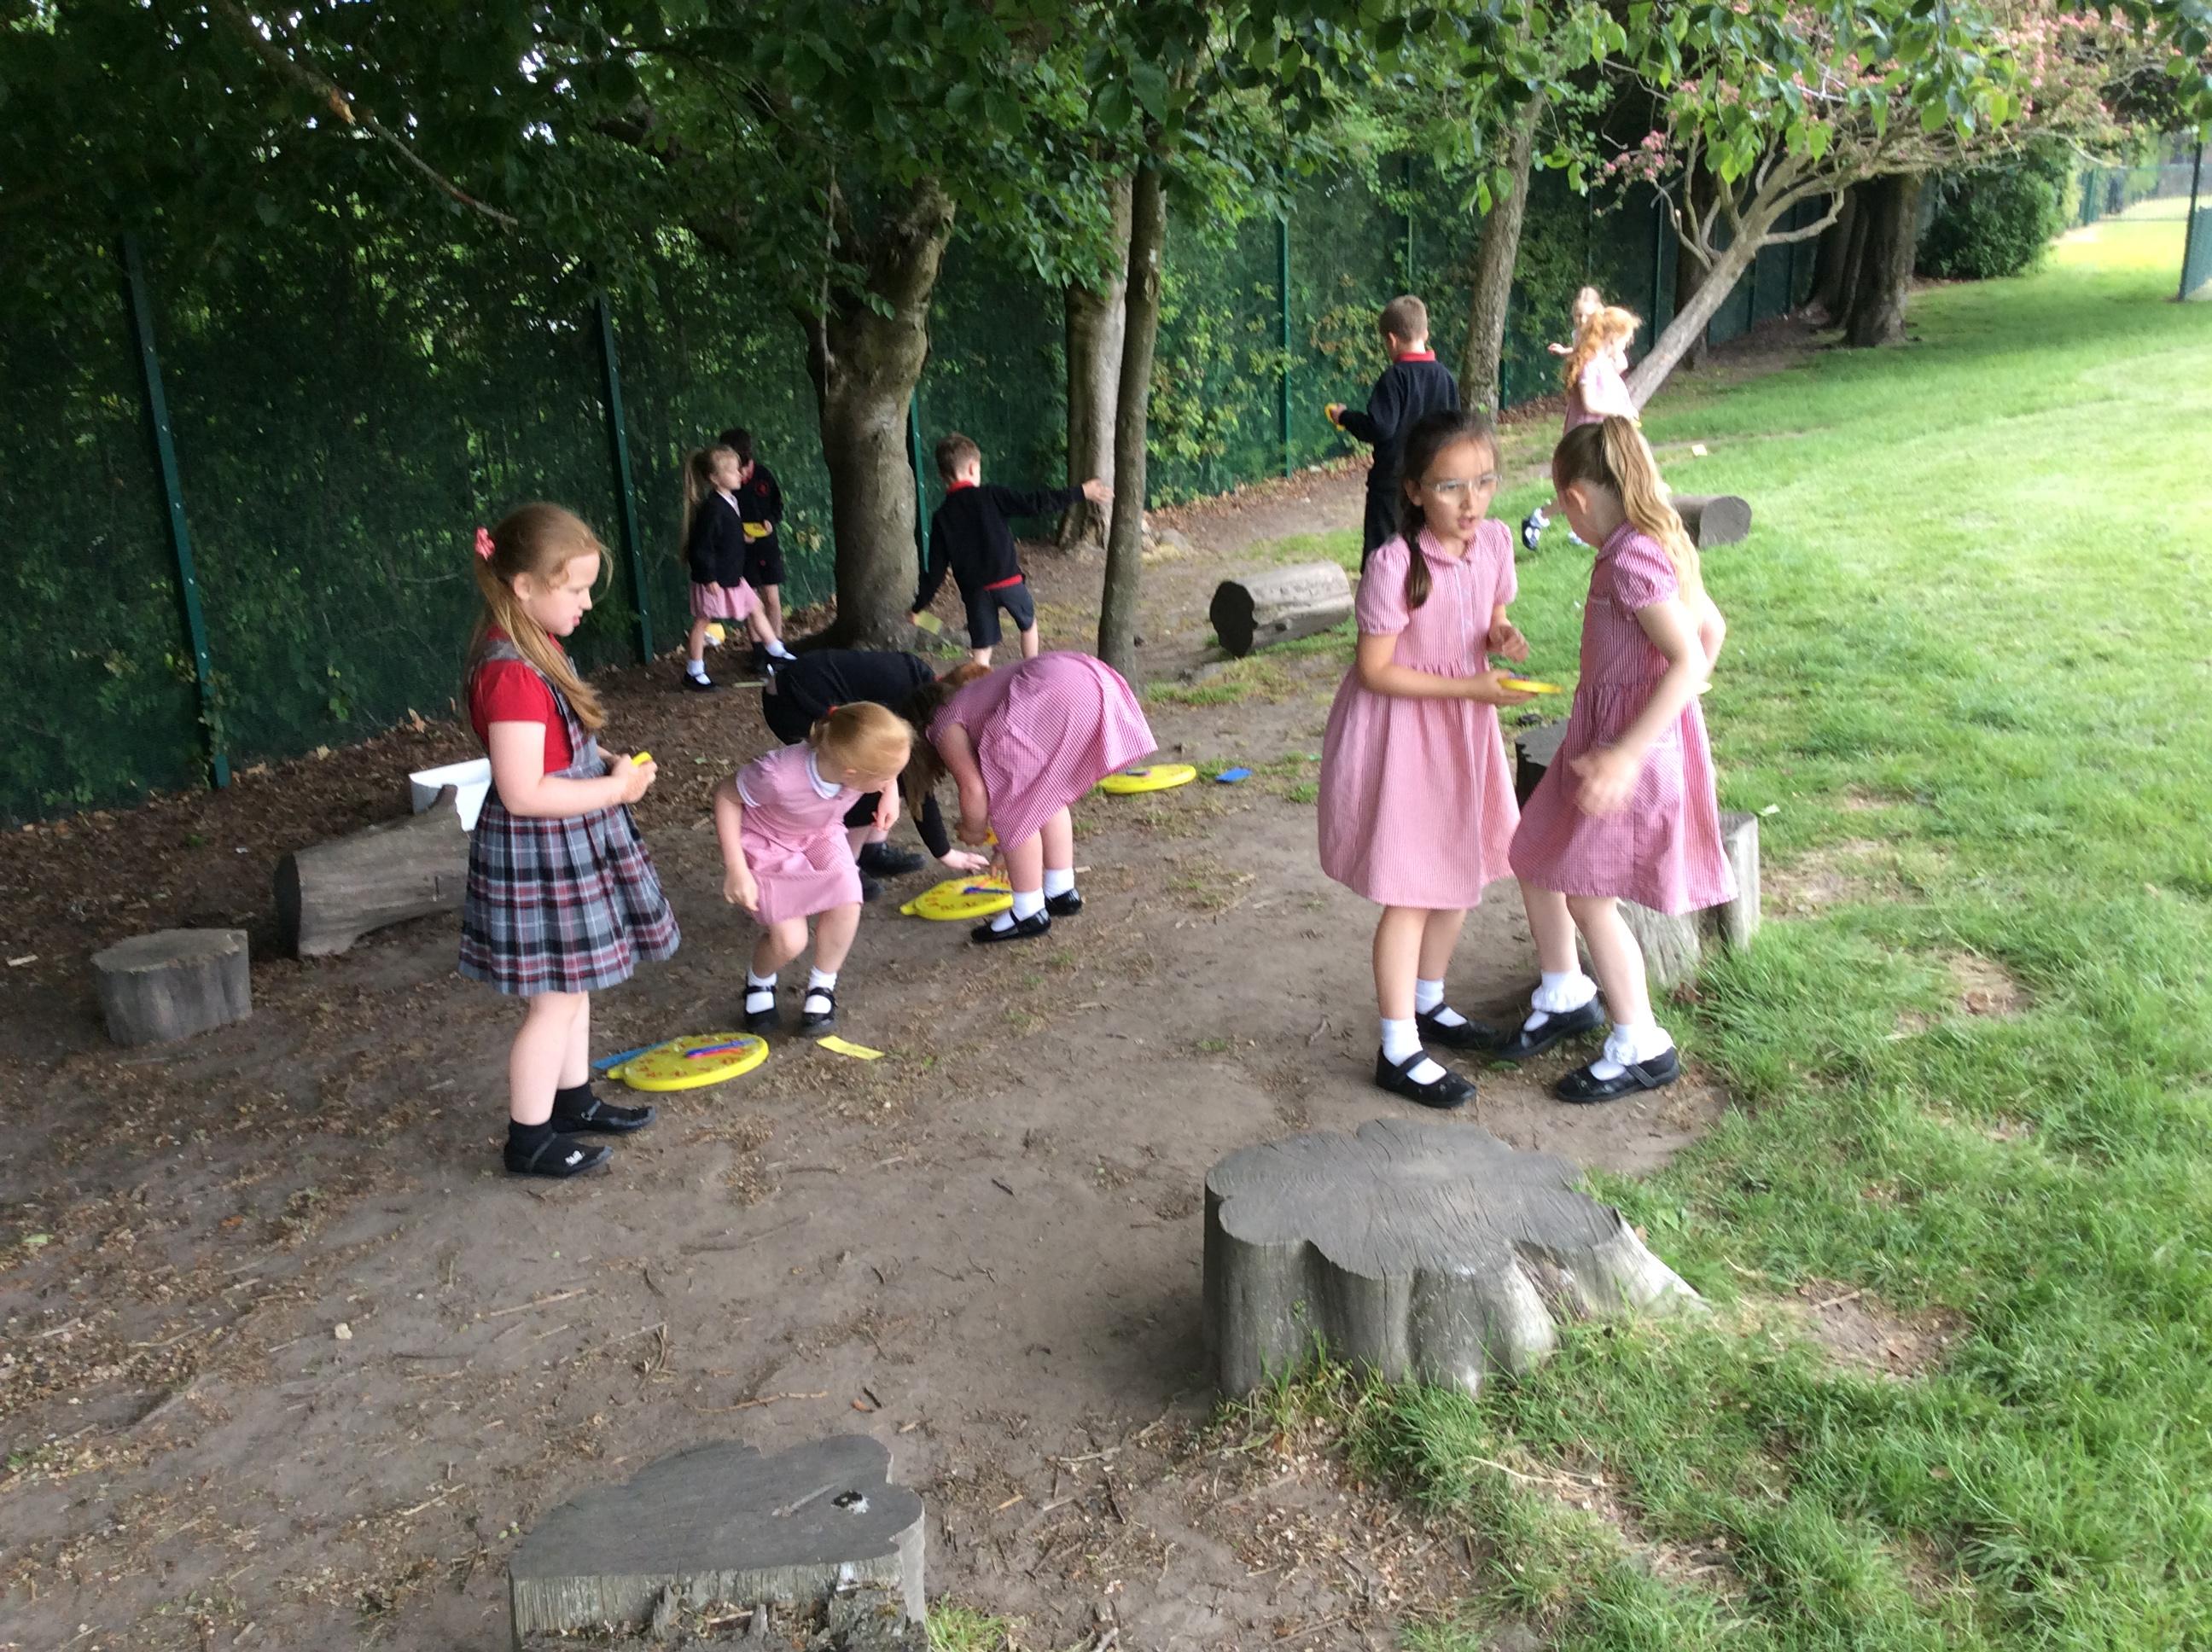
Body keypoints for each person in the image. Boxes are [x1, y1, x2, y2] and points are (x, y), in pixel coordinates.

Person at [1503, 416, 1732, 1102]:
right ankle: (1566, 991)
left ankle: (1642, 1044)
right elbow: (1712, 629)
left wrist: (1634, 750)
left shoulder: (1633, 558)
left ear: (1574, 499)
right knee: (1535, 849)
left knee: (1587, 895)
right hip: (1603, 740)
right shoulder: (1653, 540)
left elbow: (1687, 656)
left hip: (1629, 751)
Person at [1317, 410, 1535, 1109]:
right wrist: (1469, 687)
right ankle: (1397, 1048)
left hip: (1462, 731)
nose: (1472, 502)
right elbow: (1376, 670)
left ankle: (1429, 1002)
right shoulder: (1394, 565)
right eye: (1450, 487)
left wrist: (1500, 634)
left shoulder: (1493, 542)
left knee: (1458, 870)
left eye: (1485, 481)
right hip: (1405, 737)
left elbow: (1489, 613)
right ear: (1413, 490)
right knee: (1410, 889)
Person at [458, 504, 678, 1178]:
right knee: (552, 1002)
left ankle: (573, 1102)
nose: (586, 602)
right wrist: (614, 792)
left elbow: (559, 749)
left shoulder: (539, 645)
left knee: (573, 985)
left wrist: (607, 762)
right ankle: (529, 1140)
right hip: (541, 851)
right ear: (524, 585)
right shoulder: (512, 672)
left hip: (569, 839)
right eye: (575, 588)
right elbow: (524, 790)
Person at [898, 654, 1155, 945]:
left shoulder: (942, 722)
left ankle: (1027, 911)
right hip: (1091, 677)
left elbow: (973, 790)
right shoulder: (973, 698)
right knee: (1047, 794)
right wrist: (1003, 846)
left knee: (1014, 803)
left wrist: (973, 829)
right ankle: (1060, 890)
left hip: (1050, 691)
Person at [716, 703, 912, 1035]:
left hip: (821, 834)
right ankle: (759, 979)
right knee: (790, 942)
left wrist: (889, 792)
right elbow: (725, 796)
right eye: (885, 778)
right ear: (852, 774)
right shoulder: (776, 777)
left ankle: (823, 985)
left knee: (848, 895)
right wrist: (736, 869)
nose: (891, 780)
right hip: (768, 844)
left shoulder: (853, 760)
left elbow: (888, 770)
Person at [759, 648, 992, 899]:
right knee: (868, 775)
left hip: (811, 691)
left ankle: (872, 850)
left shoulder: (924, 694)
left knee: (888, 774)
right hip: (793, 702)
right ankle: (845, 868)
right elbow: (917, 783)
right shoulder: (910, 703)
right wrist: (945, 853)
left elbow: (913, 778)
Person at [911, 433, 1111, 666]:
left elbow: (936, 572)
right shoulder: (991, 496)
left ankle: (979, 686)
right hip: (1009, 582)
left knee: (982, 650)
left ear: (941, 476)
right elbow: (1035, 503)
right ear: (974, 468)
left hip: (976, 592)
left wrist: (918, 608)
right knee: (1028, 625)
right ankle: (1032, 669)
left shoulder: (942, 516)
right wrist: (1081, 492)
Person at [1324, 294, 1462, 567]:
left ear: (1391, 340)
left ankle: (1382, 592)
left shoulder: (1394, 378)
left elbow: (1379, 427)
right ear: (1426, 333)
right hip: (1433, 481)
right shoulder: (1445, 378)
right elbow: (1455, 430)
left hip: (1392, 484)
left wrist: (1345, 417)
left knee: (1383, 555)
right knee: (1427, 549)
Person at [1522, 305, 1641, 551]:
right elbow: (1590, 403)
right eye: (1625, 338)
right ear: (1612, 336)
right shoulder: (1590, 364)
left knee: (1604, 483)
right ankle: (1540, 518)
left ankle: (1597, 528)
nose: (1628, 343)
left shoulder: (1604, 362)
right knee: (1581, 488)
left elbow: (1619, 370)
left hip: (1602, 436)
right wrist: (1621, 411)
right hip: (1585, 439)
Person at [682, 443, 794, 692]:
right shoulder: (713, 508)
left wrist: (741, 538)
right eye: (732, 471)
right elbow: (702, 546)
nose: (739, 474)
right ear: (715, 478)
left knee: (755, 606)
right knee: (703, 621)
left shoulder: (730, 501)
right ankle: (694, 671)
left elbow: (724, 536)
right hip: (715, 579)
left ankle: (776, 652)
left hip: (732, 575)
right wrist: (708, 577)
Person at [717, 426, 787, 641]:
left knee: (772, 599)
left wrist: (770, 521)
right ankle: (758, 649)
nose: (741, 474)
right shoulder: (726, 486)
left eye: (743, 467)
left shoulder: (764, 475)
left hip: (767, 546)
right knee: (751, 602)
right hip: (743, 551)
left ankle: (777, 646)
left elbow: (778, 505)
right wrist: (737, 534)